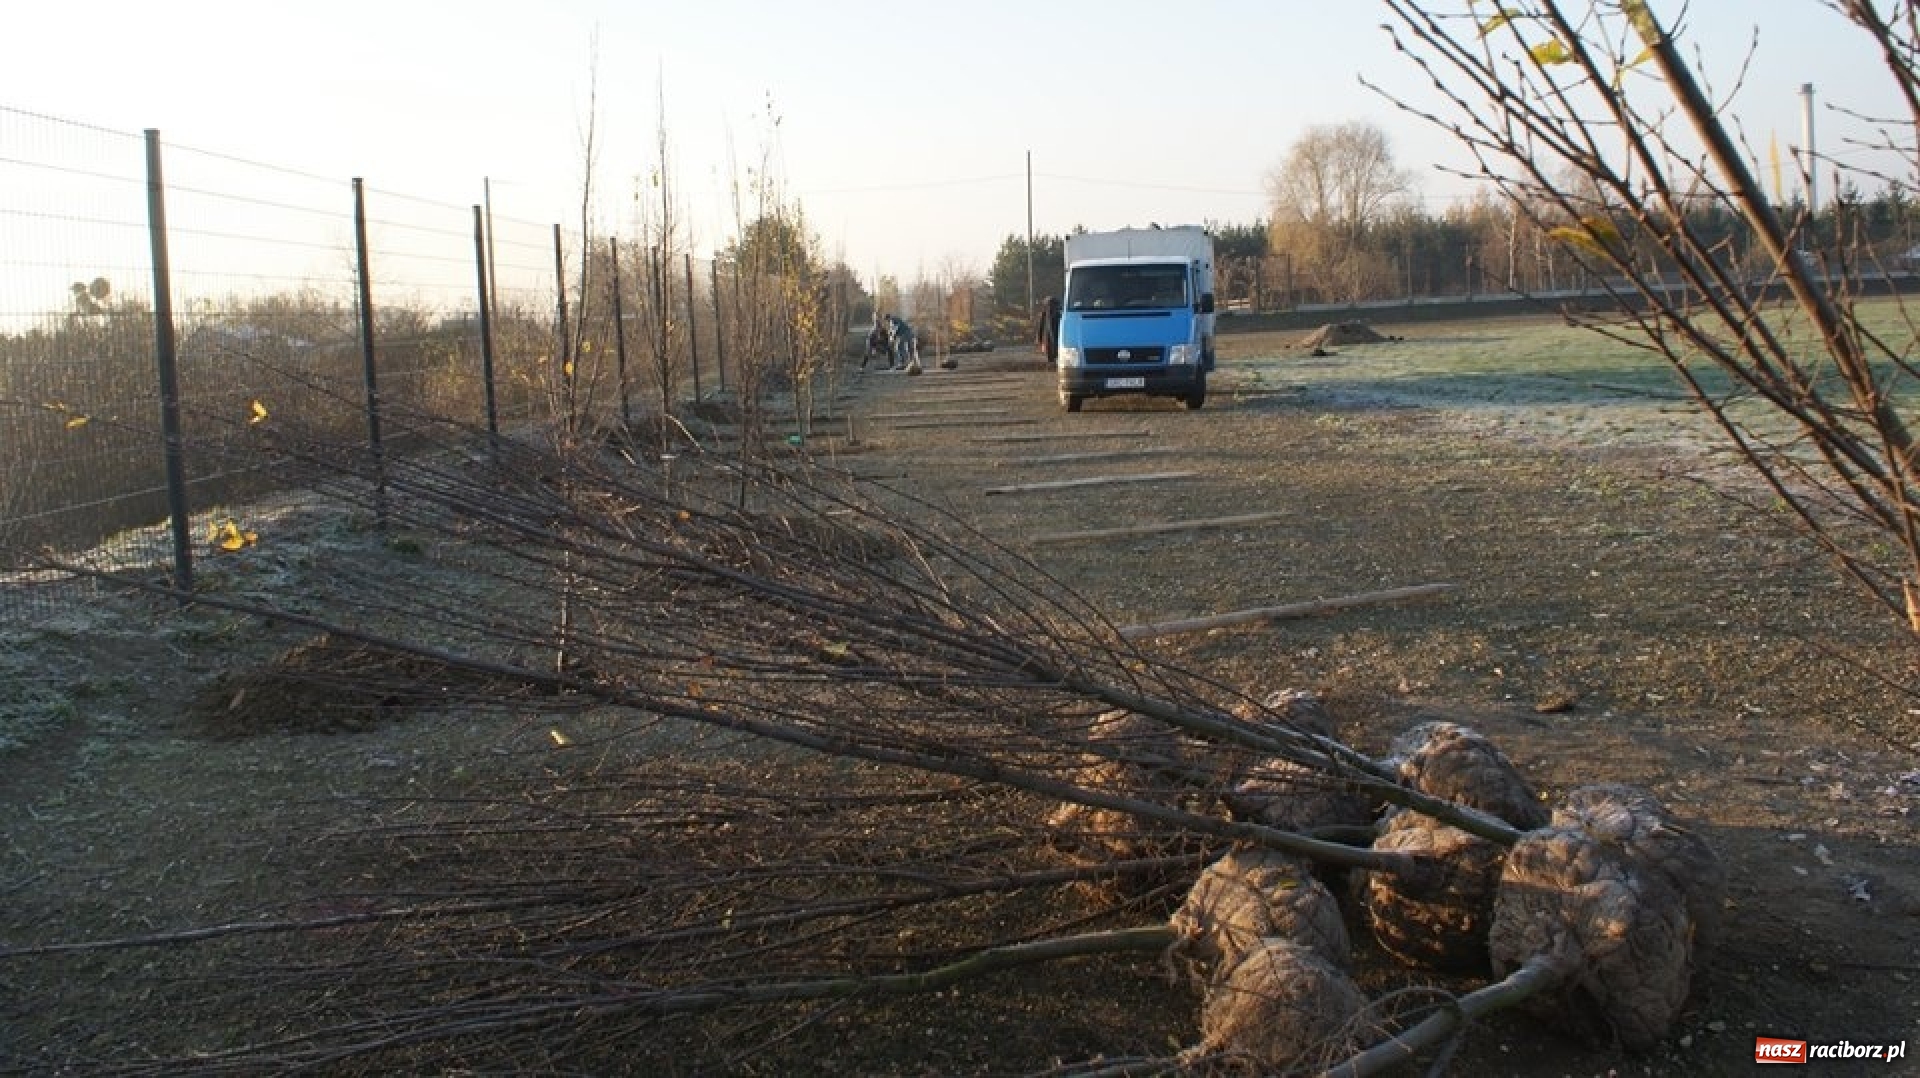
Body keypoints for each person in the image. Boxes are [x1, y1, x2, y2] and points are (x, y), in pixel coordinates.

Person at [1036, 295, 1061, 365]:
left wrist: (1039, 340)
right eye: (1050, 305)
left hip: (1054, 339)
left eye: (1053, 305)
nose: (1051, 307)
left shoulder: (1059, 314)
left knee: (1053, 357)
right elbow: (1040, 328)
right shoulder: (1045, 314)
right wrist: (1040, 340)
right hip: (1049, 339)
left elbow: (1040, 328)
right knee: (1052, 357)